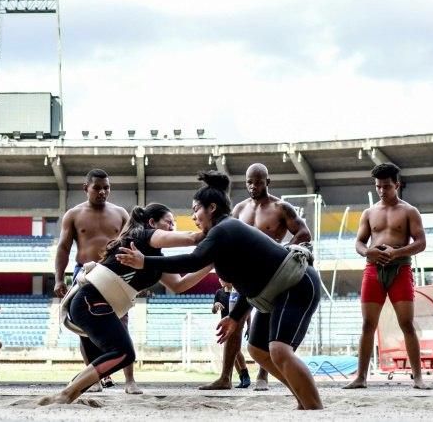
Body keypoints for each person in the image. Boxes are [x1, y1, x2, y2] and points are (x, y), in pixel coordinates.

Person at [117, 172, 323, 410]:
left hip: (297, 283)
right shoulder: (223, 234)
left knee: (278, 349)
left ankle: (314, 408)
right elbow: (253, 284)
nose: (193, 216)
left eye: (196, 209)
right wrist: (235, 318)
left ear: (211, 208)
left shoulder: (225, 229)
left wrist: (146, 261)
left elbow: (193, 261)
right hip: (272, 291)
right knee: (257, 350)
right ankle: (304, 398)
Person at [38, 203, 212, 406]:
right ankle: (67, 393)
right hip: (89, 300)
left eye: (174, 224)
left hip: (99, 304)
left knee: (122, 352)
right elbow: (193, 238)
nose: (173, 227)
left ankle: (69, 393)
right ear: (152, 223)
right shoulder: (142, 237)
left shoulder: (155, 261)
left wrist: (211, 264)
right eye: (169, 222)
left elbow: (180, 285)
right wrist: (216, 232)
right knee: (123, 352)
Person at [202, 162, 312, 391]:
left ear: (267, 182)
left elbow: (304, 232)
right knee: (235, 322)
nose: (253, 186)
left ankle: (263, 376)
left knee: (268, 325)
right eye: (250, 182)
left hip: (272, 277)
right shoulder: (239, 209)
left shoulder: (281, 207)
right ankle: (225, 377)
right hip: (244, 277)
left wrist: (282, 252)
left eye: (258, 182)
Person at [343, 163, 430, 390]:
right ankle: (361, 377)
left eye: (387, 187)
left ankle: (418, 378)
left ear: (397, 185)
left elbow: (421, 243)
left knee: (407, 324)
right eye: (378, 187)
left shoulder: (409, 211)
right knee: (367, 325)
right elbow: (359, 242)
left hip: (400, 270)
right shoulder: (369, 213)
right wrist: (367, 251)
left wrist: (398, 252)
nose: (382, 191)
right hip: (373, 270)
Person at [53, 168, 139, 393]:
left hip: (113, 272)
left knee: (122, 322)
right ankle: (94, 379)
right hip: (84, 273)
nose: (103, 192)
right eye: (97, 188)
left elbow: (133, 245)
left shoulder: (121, 213)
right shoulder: (73, 214)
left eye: (107, 188)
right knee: (85, 327)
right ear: (86, 188)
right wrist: (58, 279)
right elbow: (63, 247)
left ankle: (130, 380)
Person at [212, 279, 251, 388]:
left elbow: (246, 310)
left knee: (233, 349)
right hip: (225, 325)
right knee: (231, 351)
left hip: (237, 323)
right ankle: (243, 376)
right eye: (219, 278)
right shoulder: (219, 293)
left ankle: (244, 375)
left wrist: (249, 326)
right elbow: (213, 310)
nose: (220, 280)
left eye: (222, 278)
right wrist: (216, 305)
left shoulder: (238, 291)